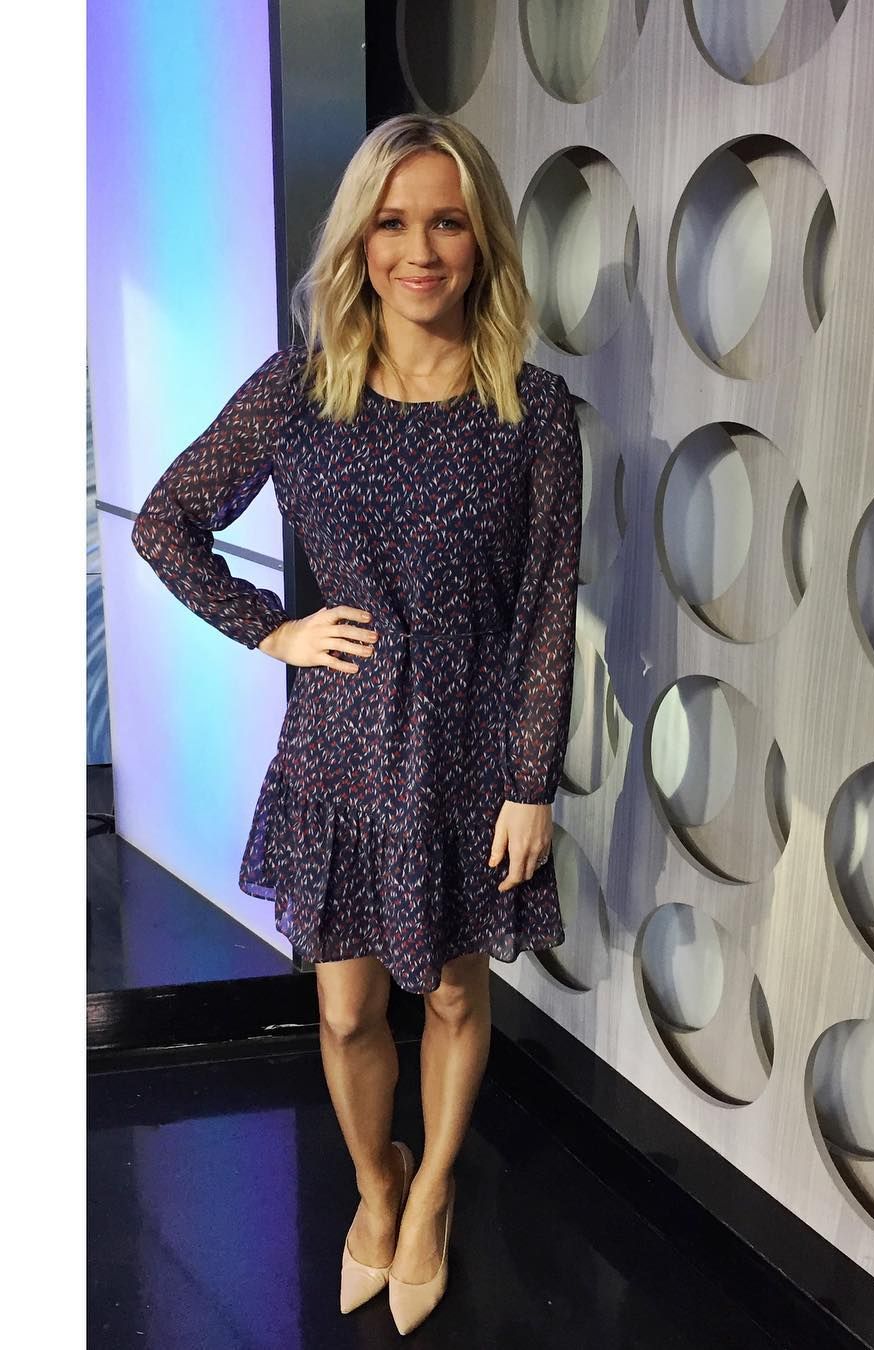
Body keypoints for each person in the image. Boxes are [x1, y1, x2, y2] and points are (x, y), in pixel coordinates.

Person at [130, 112, 583, 1334]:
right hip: (340, 751)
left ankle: (430, 1196)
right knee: (345, 1010)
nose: (419, 250)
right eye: (392, 223)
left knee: (452, 997)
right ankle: (376, 1182)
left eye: (447, 223)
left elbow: (548, 610)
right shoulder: (298, 390)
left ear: (482, 242)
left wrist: (532, 781)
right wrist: (272, 629)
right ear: (359, 240)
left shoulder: (534, 412)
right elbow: (166, 522)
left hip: (472, 757)